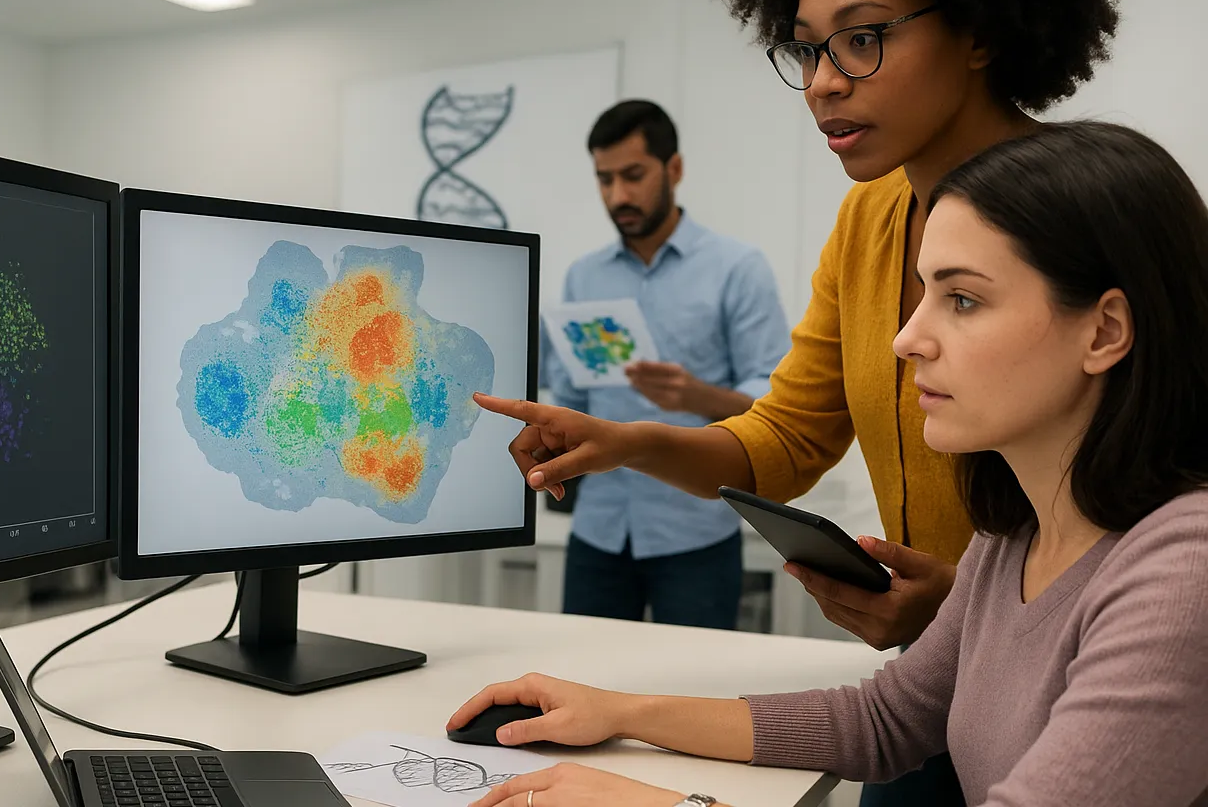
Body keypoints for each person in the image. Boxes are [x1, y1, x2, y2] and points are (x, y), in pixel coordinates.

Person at [483, 0, 1129, 801]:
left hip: (1070, 680)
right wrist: (625, 443)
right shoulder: (868, 217)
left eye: (862, 39)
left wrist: (973, 610)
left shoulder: (1104, 214)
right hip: (926, 682)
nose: (824, 81)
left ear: (977, 30)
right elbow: (789, 436)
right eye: (806, 49)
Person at [454, 120, 1208, 807]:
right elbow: (883, 720)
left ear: (1105, 330)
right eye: (923, 295)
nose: (907, 338)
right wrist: (619, 712)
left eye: (964, 301)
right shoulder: (1014, 534)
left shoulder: (1183, 574)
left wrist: (657, 806)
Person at [544, 99, 789, 629]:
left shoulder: (737, 269)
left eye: (633, 175)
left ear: (673, 169)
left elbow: (777, 404)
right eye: (604, 179)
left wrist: (695, 396)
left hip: (695, 531)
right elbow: (570, 397)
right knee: (579, 679)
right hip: (598, 530)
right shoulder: (582, 277)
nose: (618, 196)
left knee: (696, 695)